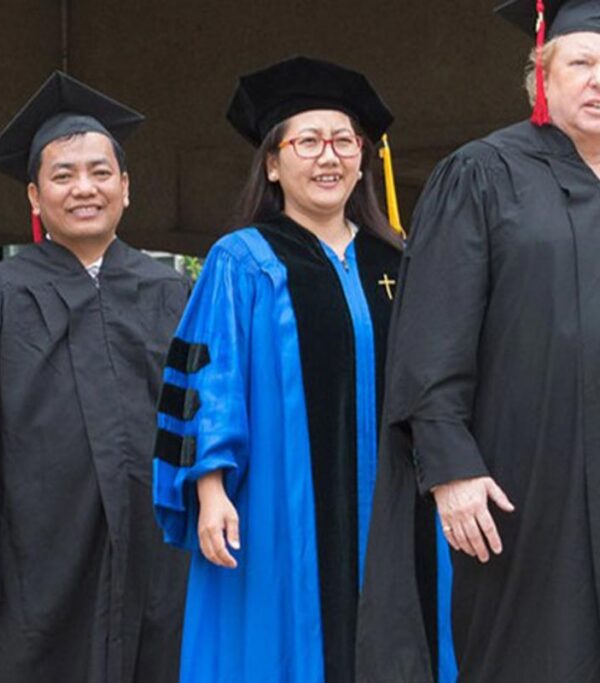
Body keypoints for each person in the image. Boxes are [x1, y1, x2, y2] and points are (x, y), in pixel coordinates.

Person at [151, 56, 454, 683]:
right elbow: (210, 379)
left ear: (364, 159)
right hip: (277, 504)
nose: (329, 157)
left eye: (345, 141)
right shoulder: (242, 261)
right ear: (272, 162)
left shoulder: (397, 259)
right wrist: (210, 491)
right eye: (308, 141)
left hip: (397, 503)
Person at [0, 71, 191, 683]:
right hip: (38, 556)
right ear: (33, 197)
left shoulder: (175, 295)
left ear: (126, 188)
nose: (85, 188)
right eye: (63, 175)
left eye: (100, 173)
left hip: (159, 548)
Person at [356, 1, 600, 680]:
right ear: (541, 76)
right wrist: (452, 467)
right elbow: (431, 334)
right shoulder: (484, 173)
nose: (598, 81)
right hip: (524, 482)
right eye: (581, 63)